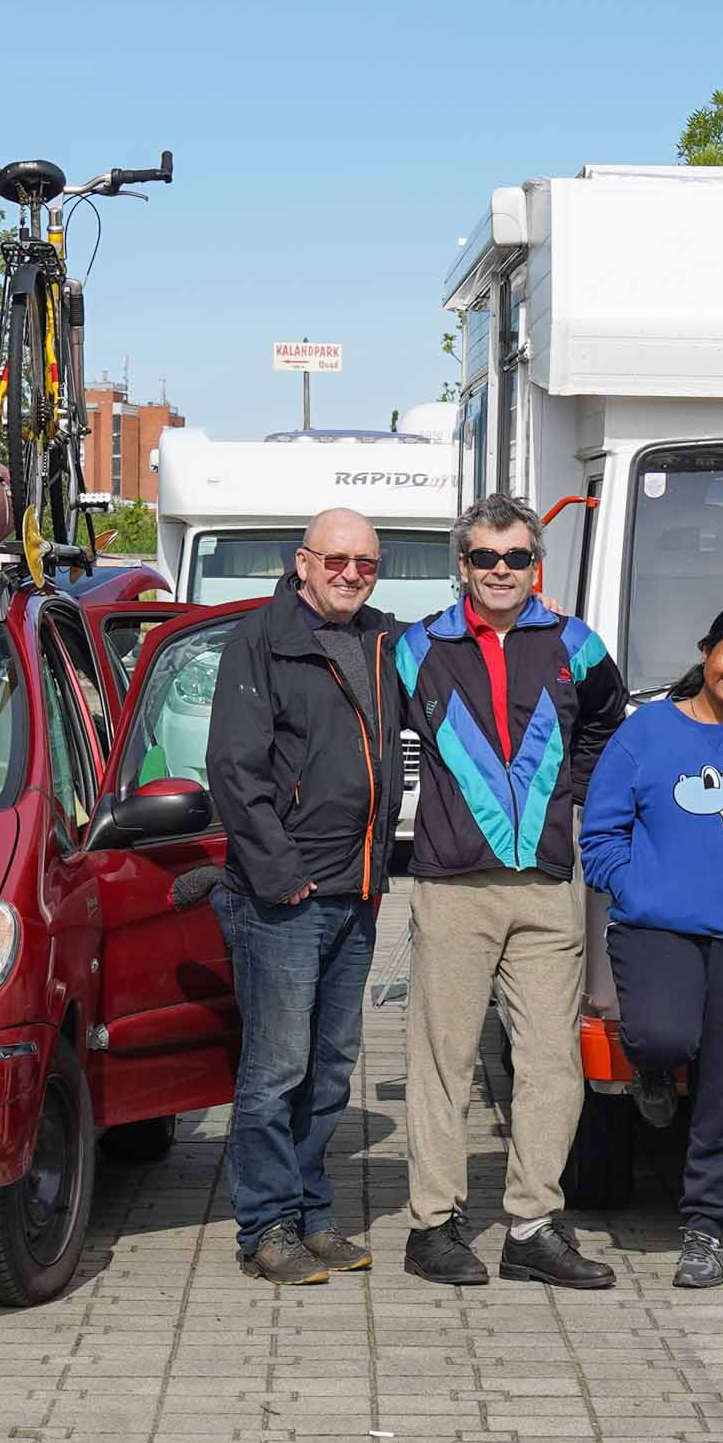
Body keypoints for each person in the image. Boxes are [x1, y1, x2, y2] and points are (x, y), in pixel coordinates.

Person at [397, 493, 627, 1289]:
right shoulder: (415, 646)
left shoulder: (576, 642)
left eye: (517, 558)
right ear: (462, 566)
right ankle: (433, 1225)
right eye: (486, 558)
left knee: (553, 1062)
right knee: (442, 1060)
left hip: (545, 889)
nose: (502, 571)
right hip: (452, 886)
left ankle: (531, 1224)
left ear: (538, 564)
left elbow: (607, 720)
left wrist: (576, 795)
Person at [205, 507, 403, 1286]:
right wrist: (283, 876)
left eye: (366, 563)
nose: (351, 573)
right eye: (337, 560)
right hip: (286, 895)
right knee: (276, 1068)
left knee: (330, 1068)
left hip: (357, 891)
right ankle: (265, 1225)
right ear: (302, 562)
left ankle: (312, 1211)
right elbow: (235, 772)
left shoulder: (385, 641)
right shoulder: (259, 640)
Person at [577, 603, 723, 1289]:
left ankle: (704, 1225)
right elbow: (602, 831)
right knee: (663, 1037)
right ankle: (651, 1074)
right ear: (707, 650)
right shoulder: (648, 731)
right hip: (659, 924)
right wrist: (634, 887)